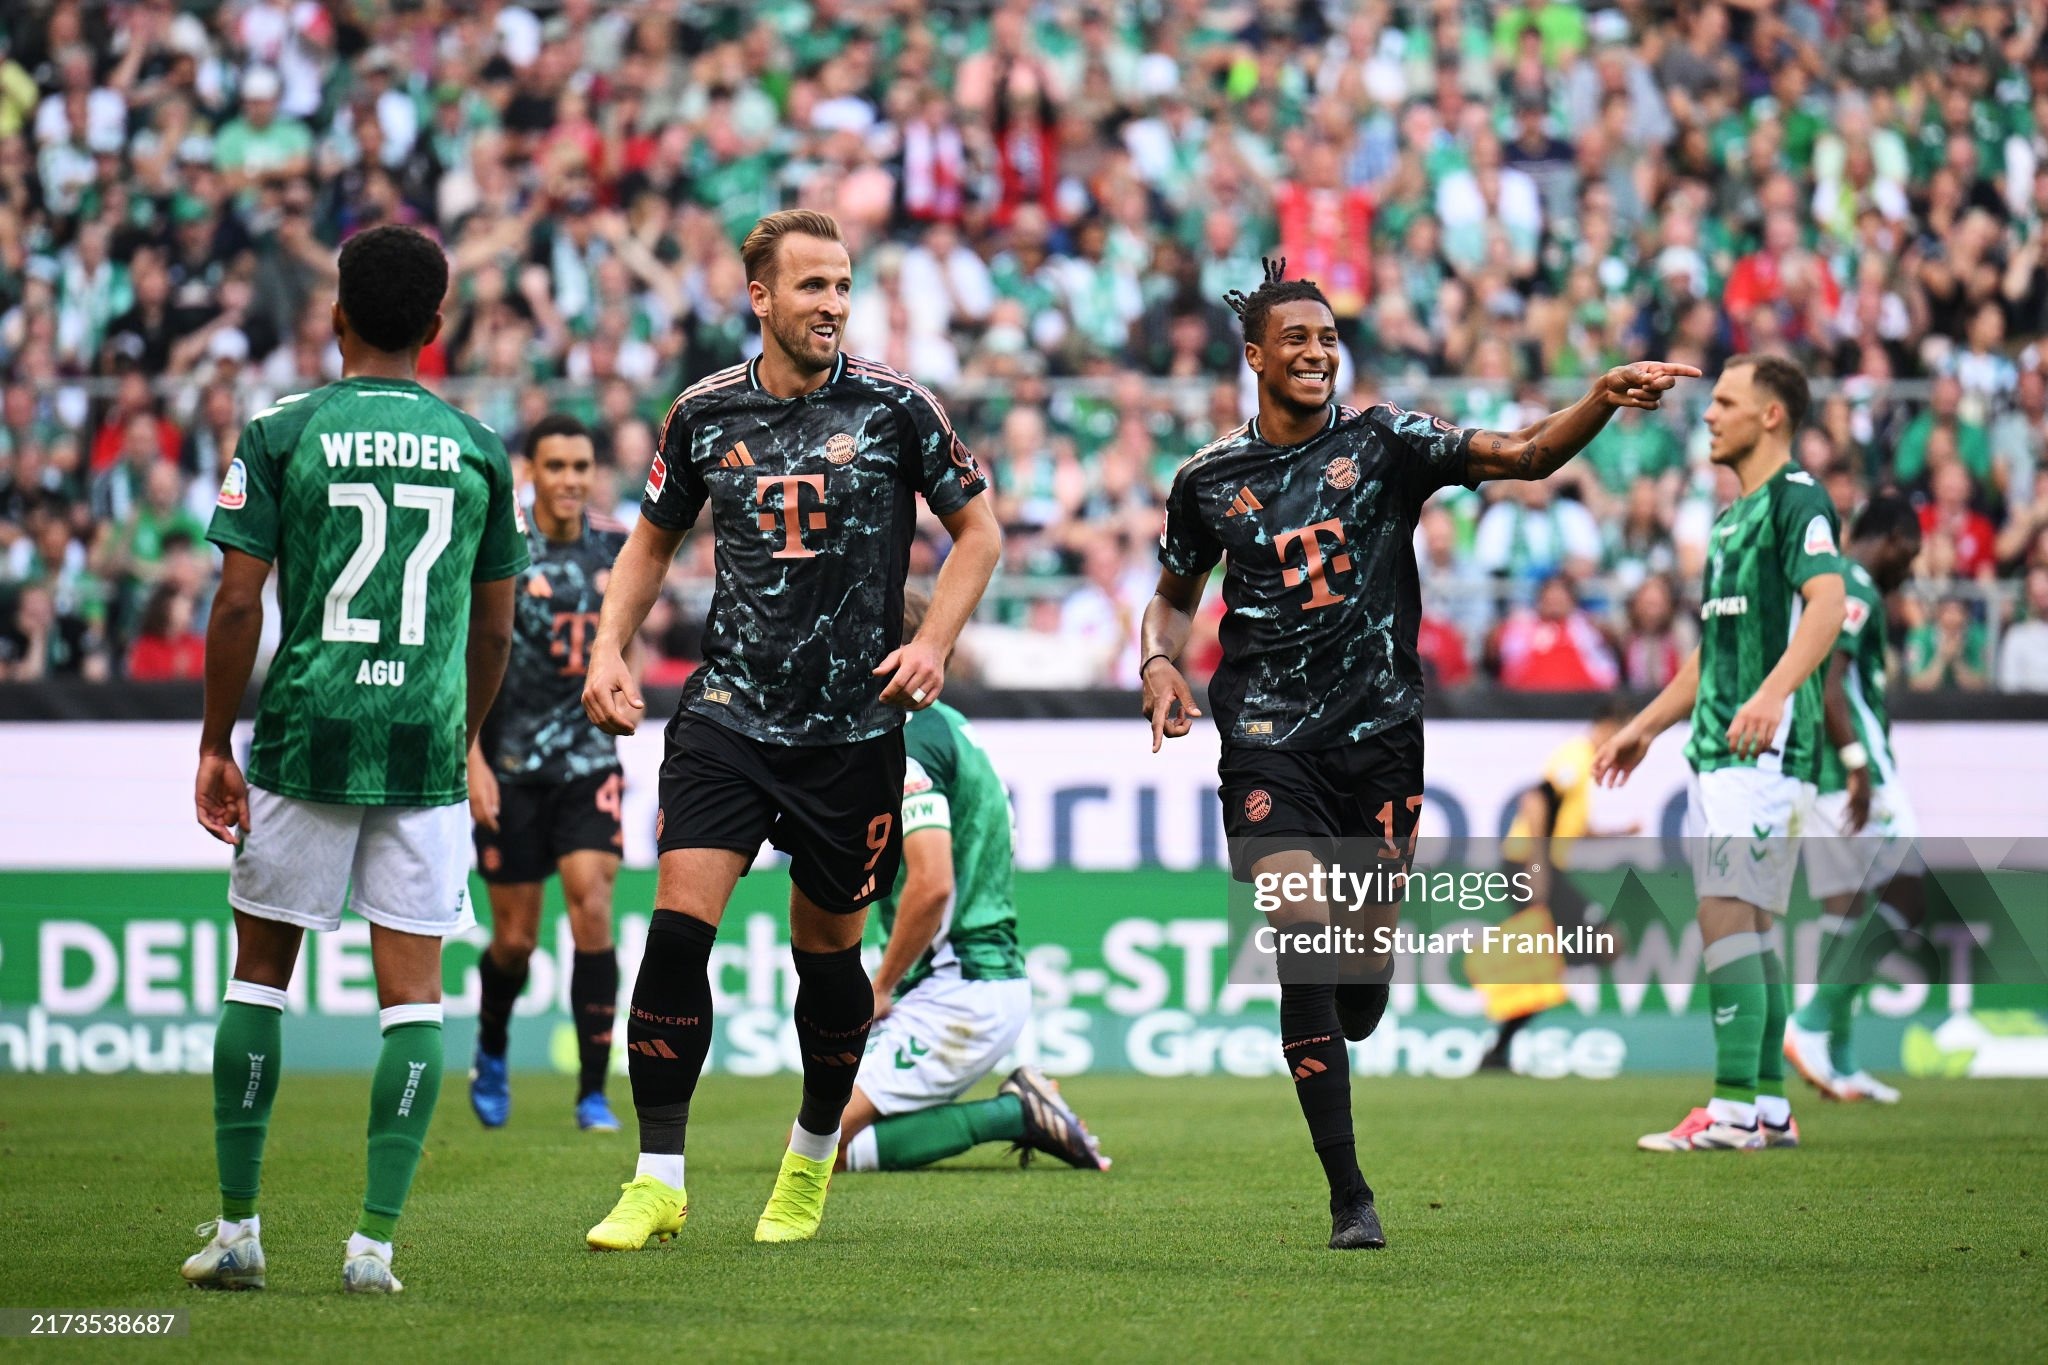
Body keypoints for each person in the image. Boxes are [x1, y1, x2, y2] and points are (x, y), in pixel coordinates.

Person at [1141, 256, 1696, 1249]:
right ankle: (1348, 1195)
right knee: (1302, 955)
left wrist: (1599, 399)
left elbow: (1524, 456)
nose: (1316, 353)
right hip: (1265, 742)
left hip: (1379, 745)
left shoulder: (1390, 439)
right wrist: (1156, 662)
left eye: (1326, 338)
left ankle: (1370, 966)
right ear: (1255, 356)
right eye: (1297, 340)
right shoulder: (1205, 479)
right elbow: (1175, 592)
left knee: (1354, 994)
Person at [577, 210, 1002, 1251]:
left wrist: (932, 644)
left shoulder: (898, 409)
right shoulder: (702, 414)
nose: (832, 305)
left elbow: (979, 533)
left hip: (851, 735)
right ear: (758, 296)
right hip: (726, 714)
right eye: (811, 287)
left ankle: (809, 1161)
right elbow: (647, 544)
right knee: (677, 932)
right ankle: (656, 1178)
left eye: (842, 286)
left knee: (827, 963)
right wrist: (606, 648)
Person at [183, 225, 526, 1294]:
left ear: (334, 316)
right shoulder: (477, 446)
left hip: (302, 738)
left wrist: (211, 741)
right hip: (422, 749)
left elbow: (238, 598)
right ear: (435, 328)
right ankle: (372, 1246)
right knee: (414, 1004)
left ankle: (239, 1233)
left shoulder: (283, 430)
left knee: (260, 979)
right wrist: (463, 736)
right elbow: (496, 631)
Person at [1594, 356, 1848, 1154]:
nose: (1709, 415)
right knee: (1752, 925)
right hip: (1719, 749)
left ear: (1771, 415)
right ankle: (1766, 1105)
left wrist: (1773, 692)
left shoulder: (1797, 500)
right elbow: (1712, 653)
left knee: (1726, 913)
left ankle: (1733, 1108)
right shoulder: (1732, 519)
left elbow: (1829, 603)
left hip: (1763, 751)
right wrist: (1647, 722)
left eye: (1726, 402)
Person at [836, 588, 1108, 1175]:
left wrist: (880, 987)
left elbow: (932, 885)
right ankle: (1018, 1108)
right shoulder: (950, 726)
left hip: (960, 991)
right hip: (972, 985)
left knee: (818, 1145)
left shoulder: (910, 741)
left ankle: (1015, 1115)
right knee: (837, 1138)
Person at [466, 413, 630, 1133]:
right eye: (555, 465)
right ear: (528, 470)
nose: (569, 479)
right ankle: (492, 1046)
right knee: (516, 939)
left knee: (592, 906)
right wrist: (469, 754)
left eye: (581, 466)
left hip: (589, 759)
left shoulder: (619, 551)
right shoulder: (501, 549)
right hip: (510, 765)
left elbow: (631, 635)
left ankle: (593, 1091)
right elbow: (465, 655)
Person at [1785, 494, 1924, 1105]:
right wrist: (1858, 764)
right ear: (1890, 538)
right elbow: (1831, 680)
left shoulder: (1829, 581)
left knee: (1846, 915)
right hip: (1851, 772)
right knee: (1910, 895)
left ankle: (1838, 1062)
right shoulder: (1857, 585)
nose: (1910, 569)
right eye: (1910, 553)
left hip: (1818, 769)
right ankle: (1812, 1022)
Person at [1475, 700, 1634, 1072]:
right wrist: (1538, 866)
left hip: (1535, 865)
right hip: (1527, 865)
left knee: (1555, 960)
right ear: (1609, 726)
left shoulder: (1583, 764)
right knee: (1606, 941)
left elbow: (1571, 824)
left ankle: (1498, 1050)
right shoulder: (1577, 757)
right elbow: (1534, 800)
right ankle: (1499, 1041)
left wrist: (1616, 833)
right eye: (1624, 731)